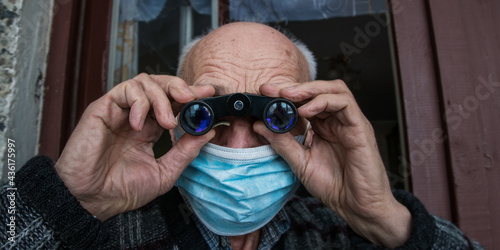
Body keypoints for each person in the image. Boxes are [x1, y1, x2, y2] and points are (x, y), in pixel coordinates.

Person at [0, 22, 482, 249]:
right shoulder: (101, 232)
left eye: (274, 119)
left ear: (311, 129)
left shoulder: (342, 236)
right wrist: (67, 203)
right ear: (174, 115)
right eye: (207, 118)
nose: (237, 150)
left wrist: (384, 221)